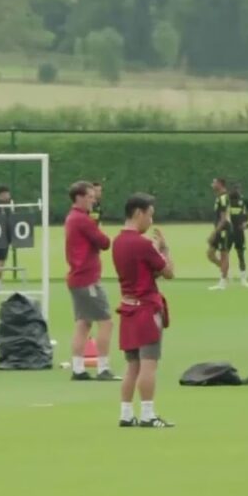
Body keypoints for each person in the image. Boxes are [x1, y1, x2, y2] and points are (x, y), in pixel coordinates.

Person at [113, 193, 175, 428]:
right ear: (139, 213)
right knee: (149, 364)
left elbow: (143, 270)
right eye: (149, 215)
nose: (151, 221)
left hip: (128, 307)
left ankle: (126, 413)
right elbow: (168, 272)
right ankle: (148, 414)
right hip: (146, 310)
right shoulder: (143, 244)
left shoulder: (118, 242)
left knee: (132, 366)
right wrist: (164, 249)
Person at [65, 181, 118, 382]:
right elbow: (104, 243)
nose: (93, 200)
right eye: (89, 197)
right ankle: (103, 368)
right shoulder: (82, 220)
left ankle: (78, 369)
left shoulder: (72, 218)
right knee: (106, 322)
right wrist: (97, 227)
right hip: (87, 278)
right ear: (79, 197)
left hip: (77, 278)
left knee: (83, 323)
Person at [206, 178, 232, 290]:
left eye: (214, 182)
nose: (212, 184)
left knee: (224, 254)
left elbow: (224, 219)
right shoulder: (219, 197)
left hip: (224, 230)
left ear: (220, 184)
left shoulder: (223, 198)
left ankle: (222, 282)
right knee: (210, 254)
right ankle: (225, 271)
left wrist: (214, 233)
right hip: (219, 229)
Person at [228, 184, 248, 288]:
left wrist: (247, 224)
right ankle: (225, 278)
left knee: (240, 254)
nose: (236, 191)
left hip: (239, 232)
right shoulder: (226, 201)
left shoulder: (244, 201)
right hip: (228, 232)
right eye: (234, 189)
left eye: (238, 189)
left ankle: (243, 280)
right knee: (225, 254)